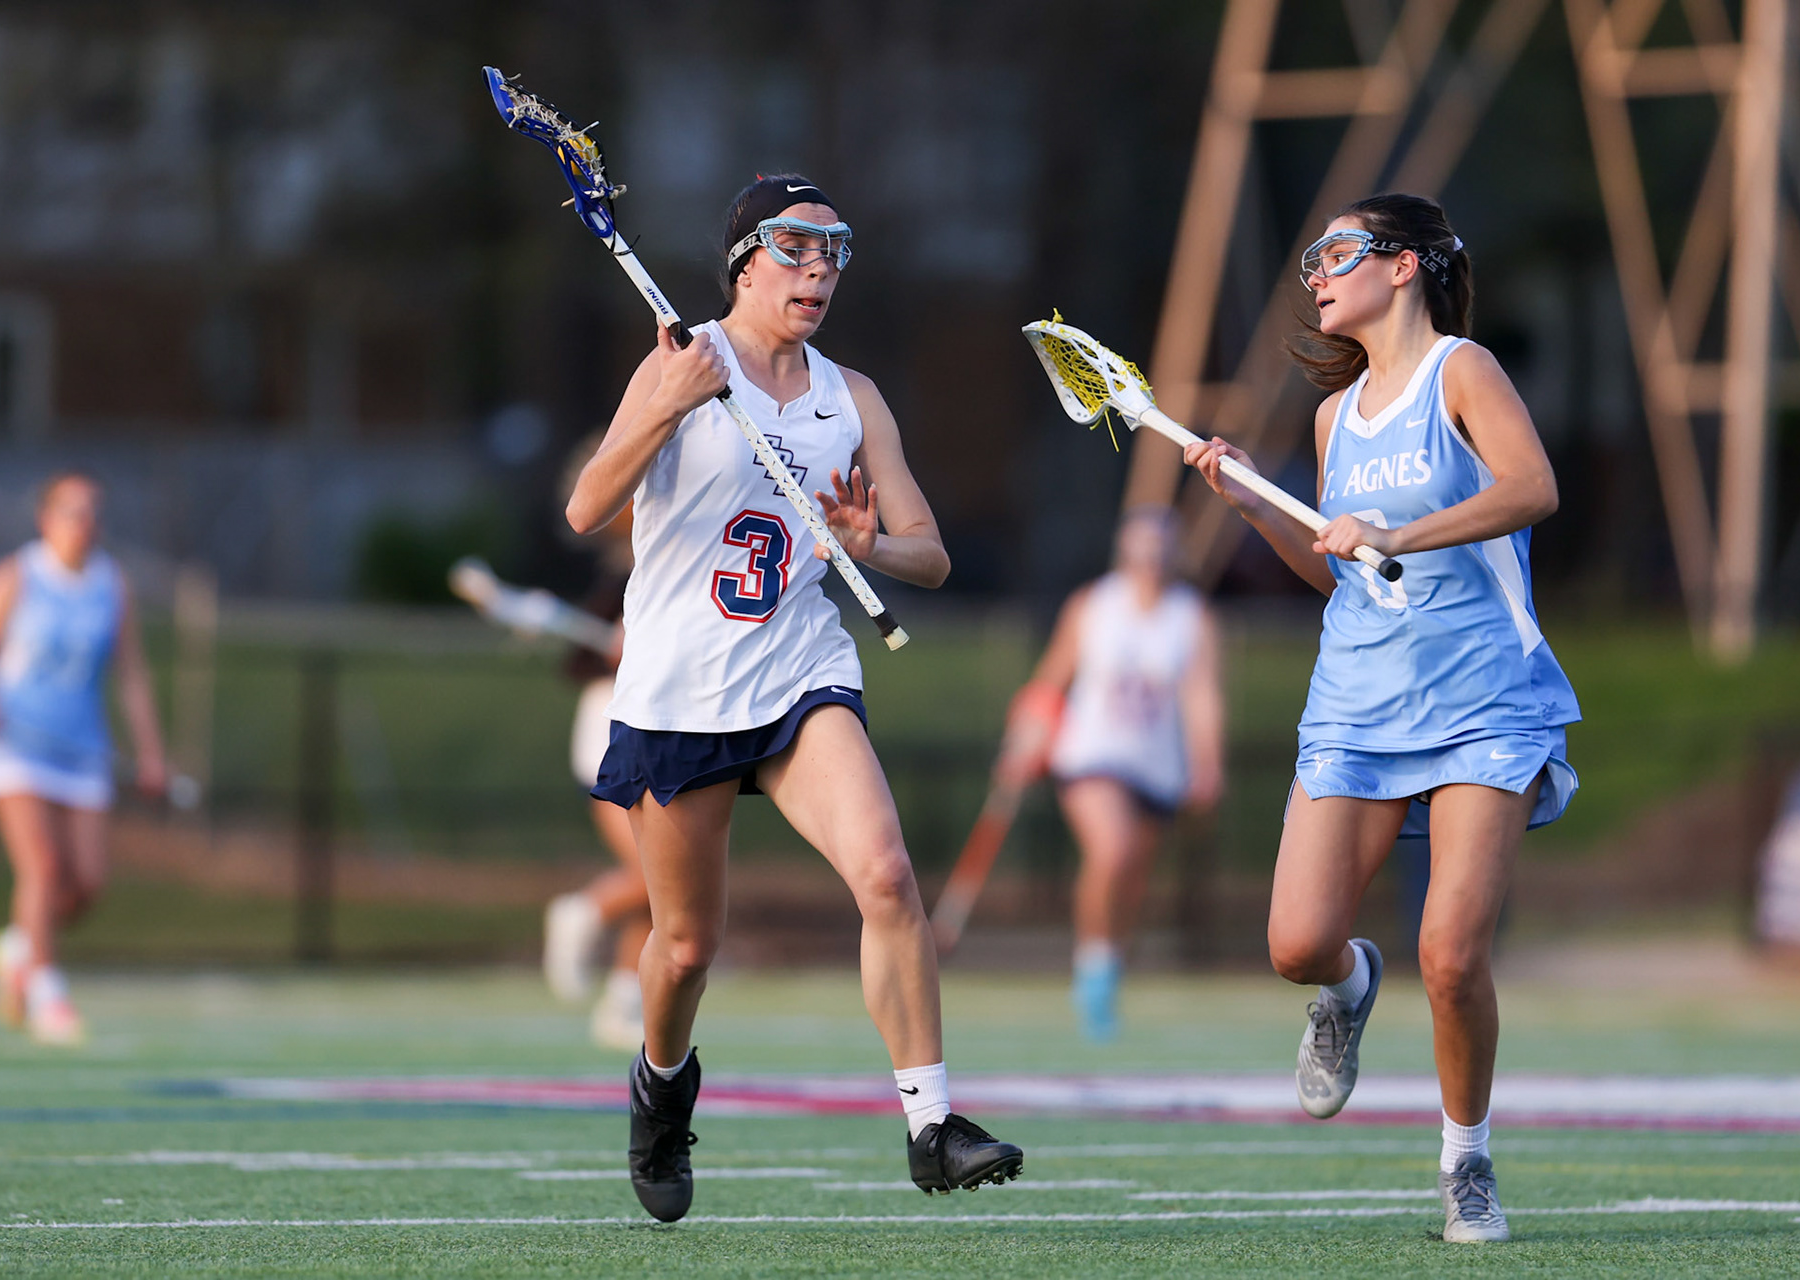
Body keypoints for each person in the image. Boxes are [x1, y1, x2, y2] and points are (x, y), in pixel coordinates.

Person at [565, 174, 1022, 1222]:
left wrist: (872, 545)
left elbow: (934, 555)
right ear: (743, 261)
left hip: (800, 668)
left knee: (887, 871)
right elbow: (591, 503)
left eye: (834, 252)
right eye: (795, 248)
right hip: (683, 684)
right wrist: (665, 409)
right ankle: (661, 1084)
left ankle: (931, 1122)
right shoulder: (681, 363)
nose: (818, 270)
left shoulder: (849, 395)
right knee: (685, 946)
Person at [1183, 193, 1579, 1244]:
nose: (1317, 271)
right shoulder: (1331, 415)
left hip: (1483, 697)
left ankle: (1467, 1159)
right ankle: (1351, 982)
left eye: (1339, 252)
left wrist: (1397, 529)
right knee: (1297, 941)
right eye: (1312, 256)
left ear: (1403, 266)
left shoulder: (1464, 370)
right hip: (1357, 701)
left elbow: (1532, 486)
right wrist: (1259, 507)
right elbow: (1340, 574)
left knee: (1452, 952)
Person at [0, 473, 167, 1045]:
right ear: (46, 519)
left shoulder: (110, 584)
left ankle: (18, 947)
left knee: (87, 883)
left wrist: (150, 752)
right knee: (43, 868)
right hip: (14, 748)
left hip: (82, 748)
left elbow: (132, 676)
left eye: (93, 511)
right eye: (72, 511)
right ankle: (48, 993)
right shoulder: (15, 577)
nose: (85, 522)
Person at [996, 506, 1223, 1041]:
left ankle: (1108, 966)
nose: (1149, 560)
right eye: (1139, 548)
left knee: (1131, 878)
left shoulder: (1192, 617)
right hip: (1091, 753)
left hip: (1156, 765)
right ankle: (1092, 968)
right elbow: (1053, 677)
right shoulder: (1093, 605)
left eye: (1160, 548)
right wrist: (1024, 738)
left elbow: (1201, 699)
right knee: (1112, 850)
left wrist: (1207, 764)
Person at [542, 471, 651, 1052]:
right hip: (615, 725)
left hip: (670, 723)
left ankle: (623, 1003)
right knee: (660, 875)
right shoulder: (625, 574)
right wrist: (617, 645)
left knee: (667, 888)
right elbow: (582, 661)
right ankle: (586, 909)